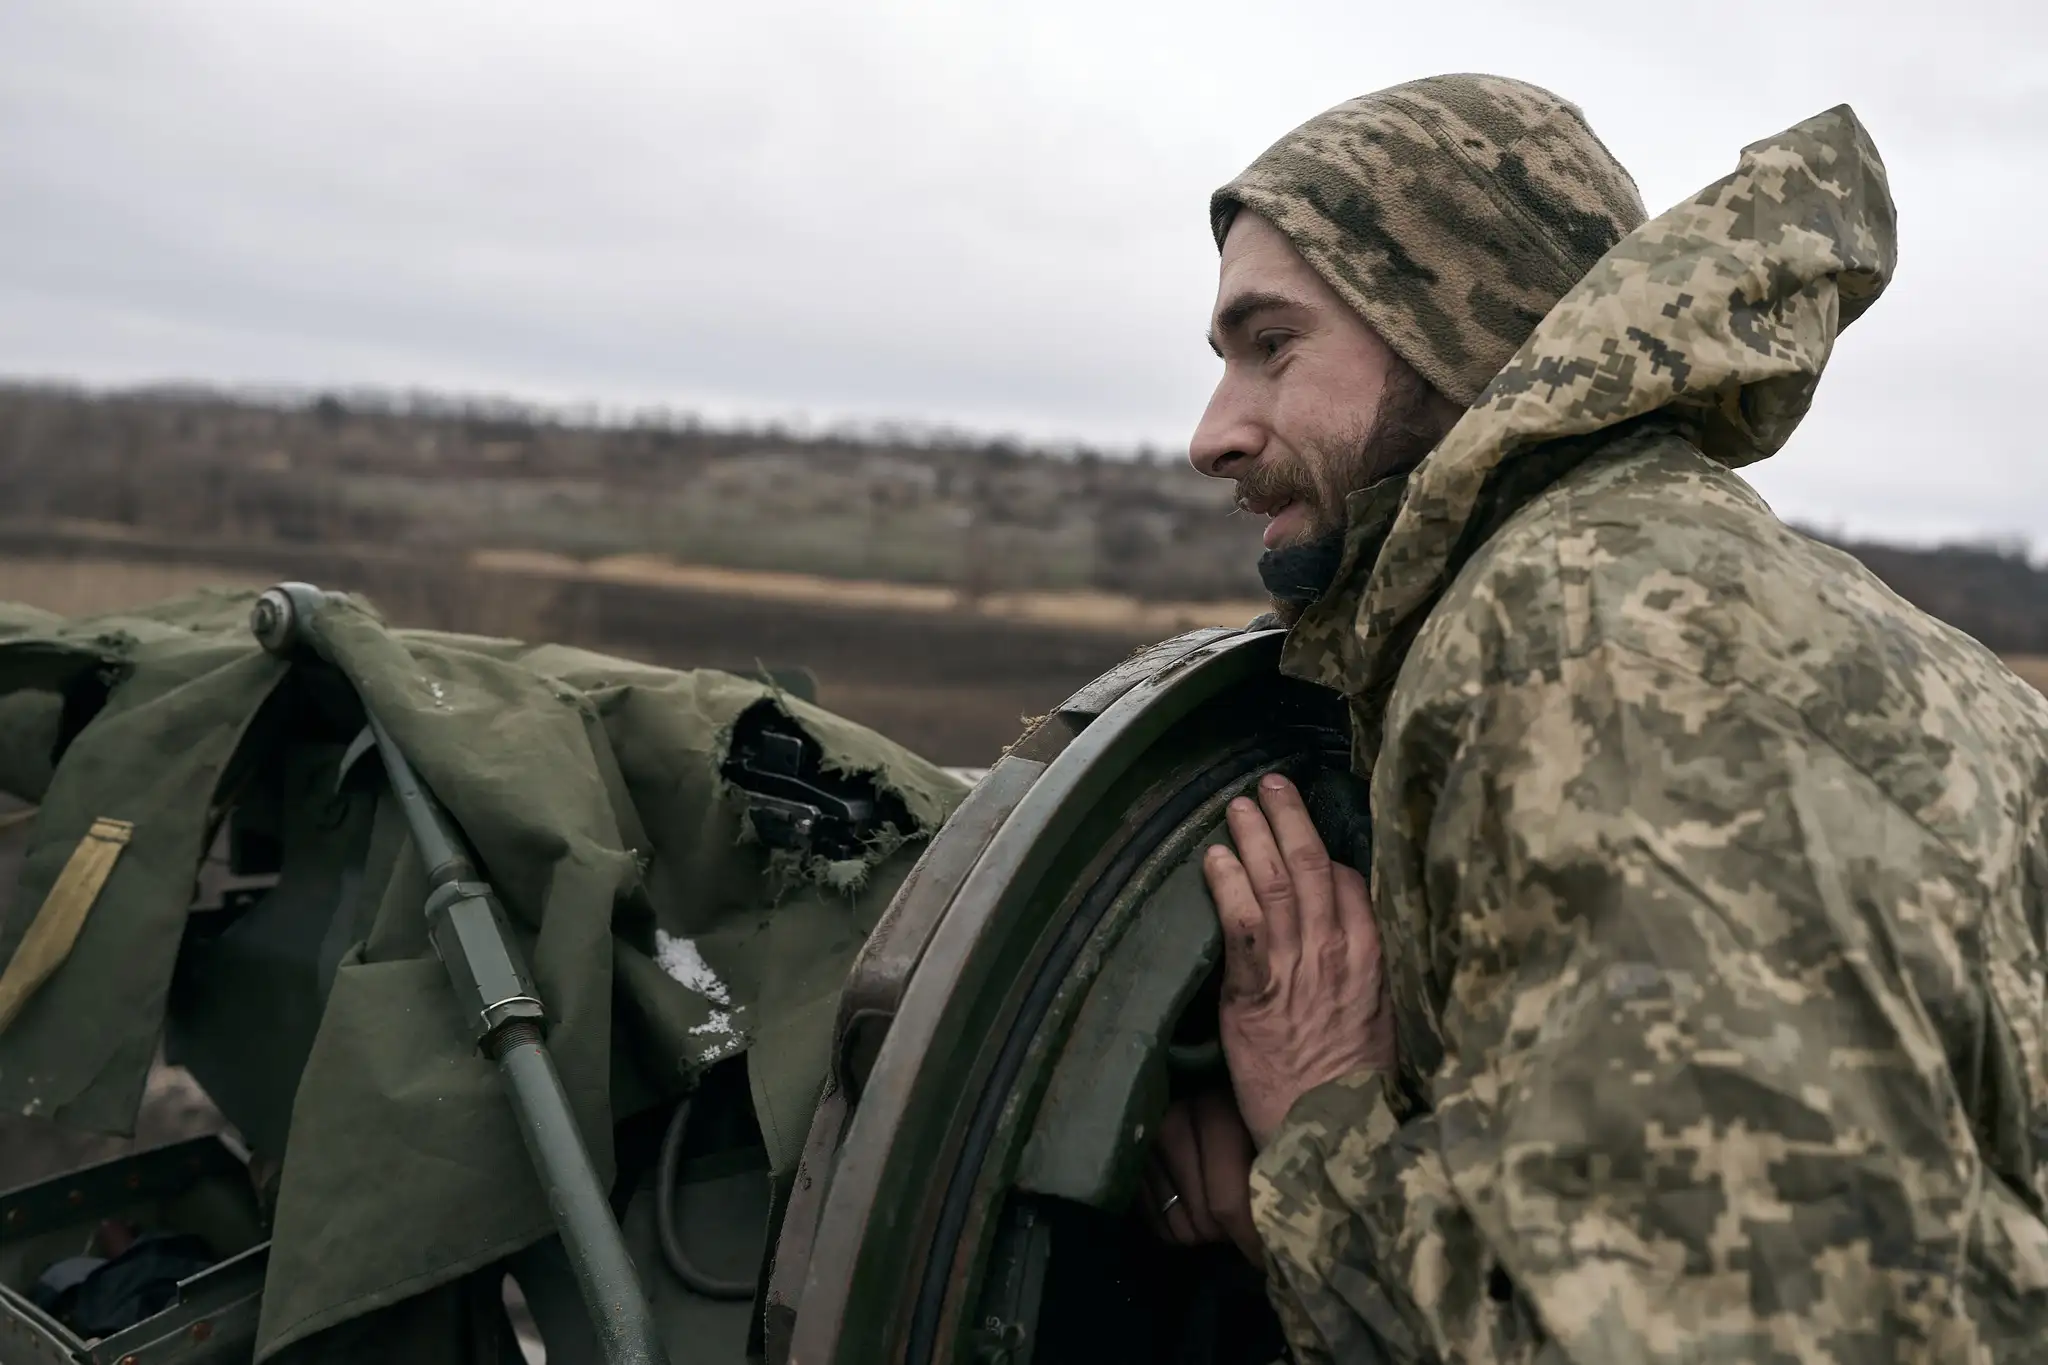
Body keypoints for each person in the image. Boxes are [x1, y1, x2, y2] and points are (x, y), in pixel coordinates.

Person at [1140, 73, 2048, 1361]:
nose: (1213, 434)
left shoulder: (1579, 653)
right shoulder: (1739, 595)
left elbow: (1742, 1334)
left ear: (1453, 319)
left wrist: (1319, 1129)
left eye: (1271, 344)